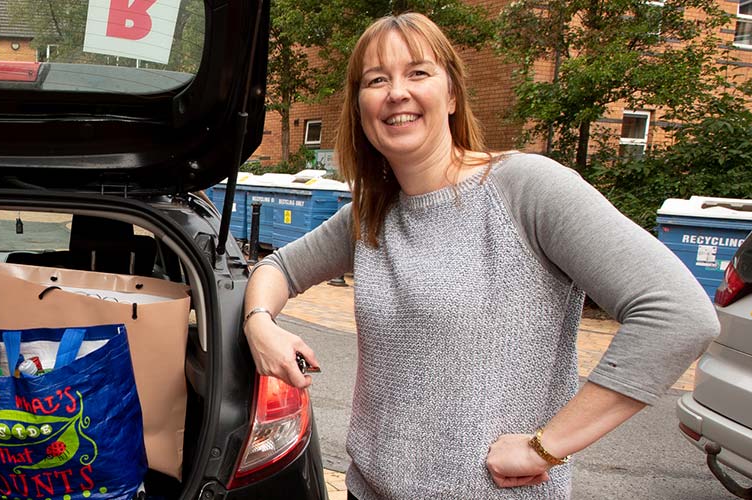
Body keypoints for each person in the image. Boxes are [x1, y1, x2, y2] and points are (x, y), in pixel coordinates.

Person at [240, 13, 718, 500]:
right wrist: (260, 323)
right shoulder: (369, 215)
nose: (396, 92)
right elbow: (278, 268)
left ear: (451, 95)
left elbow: (678, 315)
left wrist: (547, 446)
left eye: (418, 73)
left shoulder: (525, 188)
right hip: (370, 489)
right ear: (360, 107)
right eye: (376, 80)